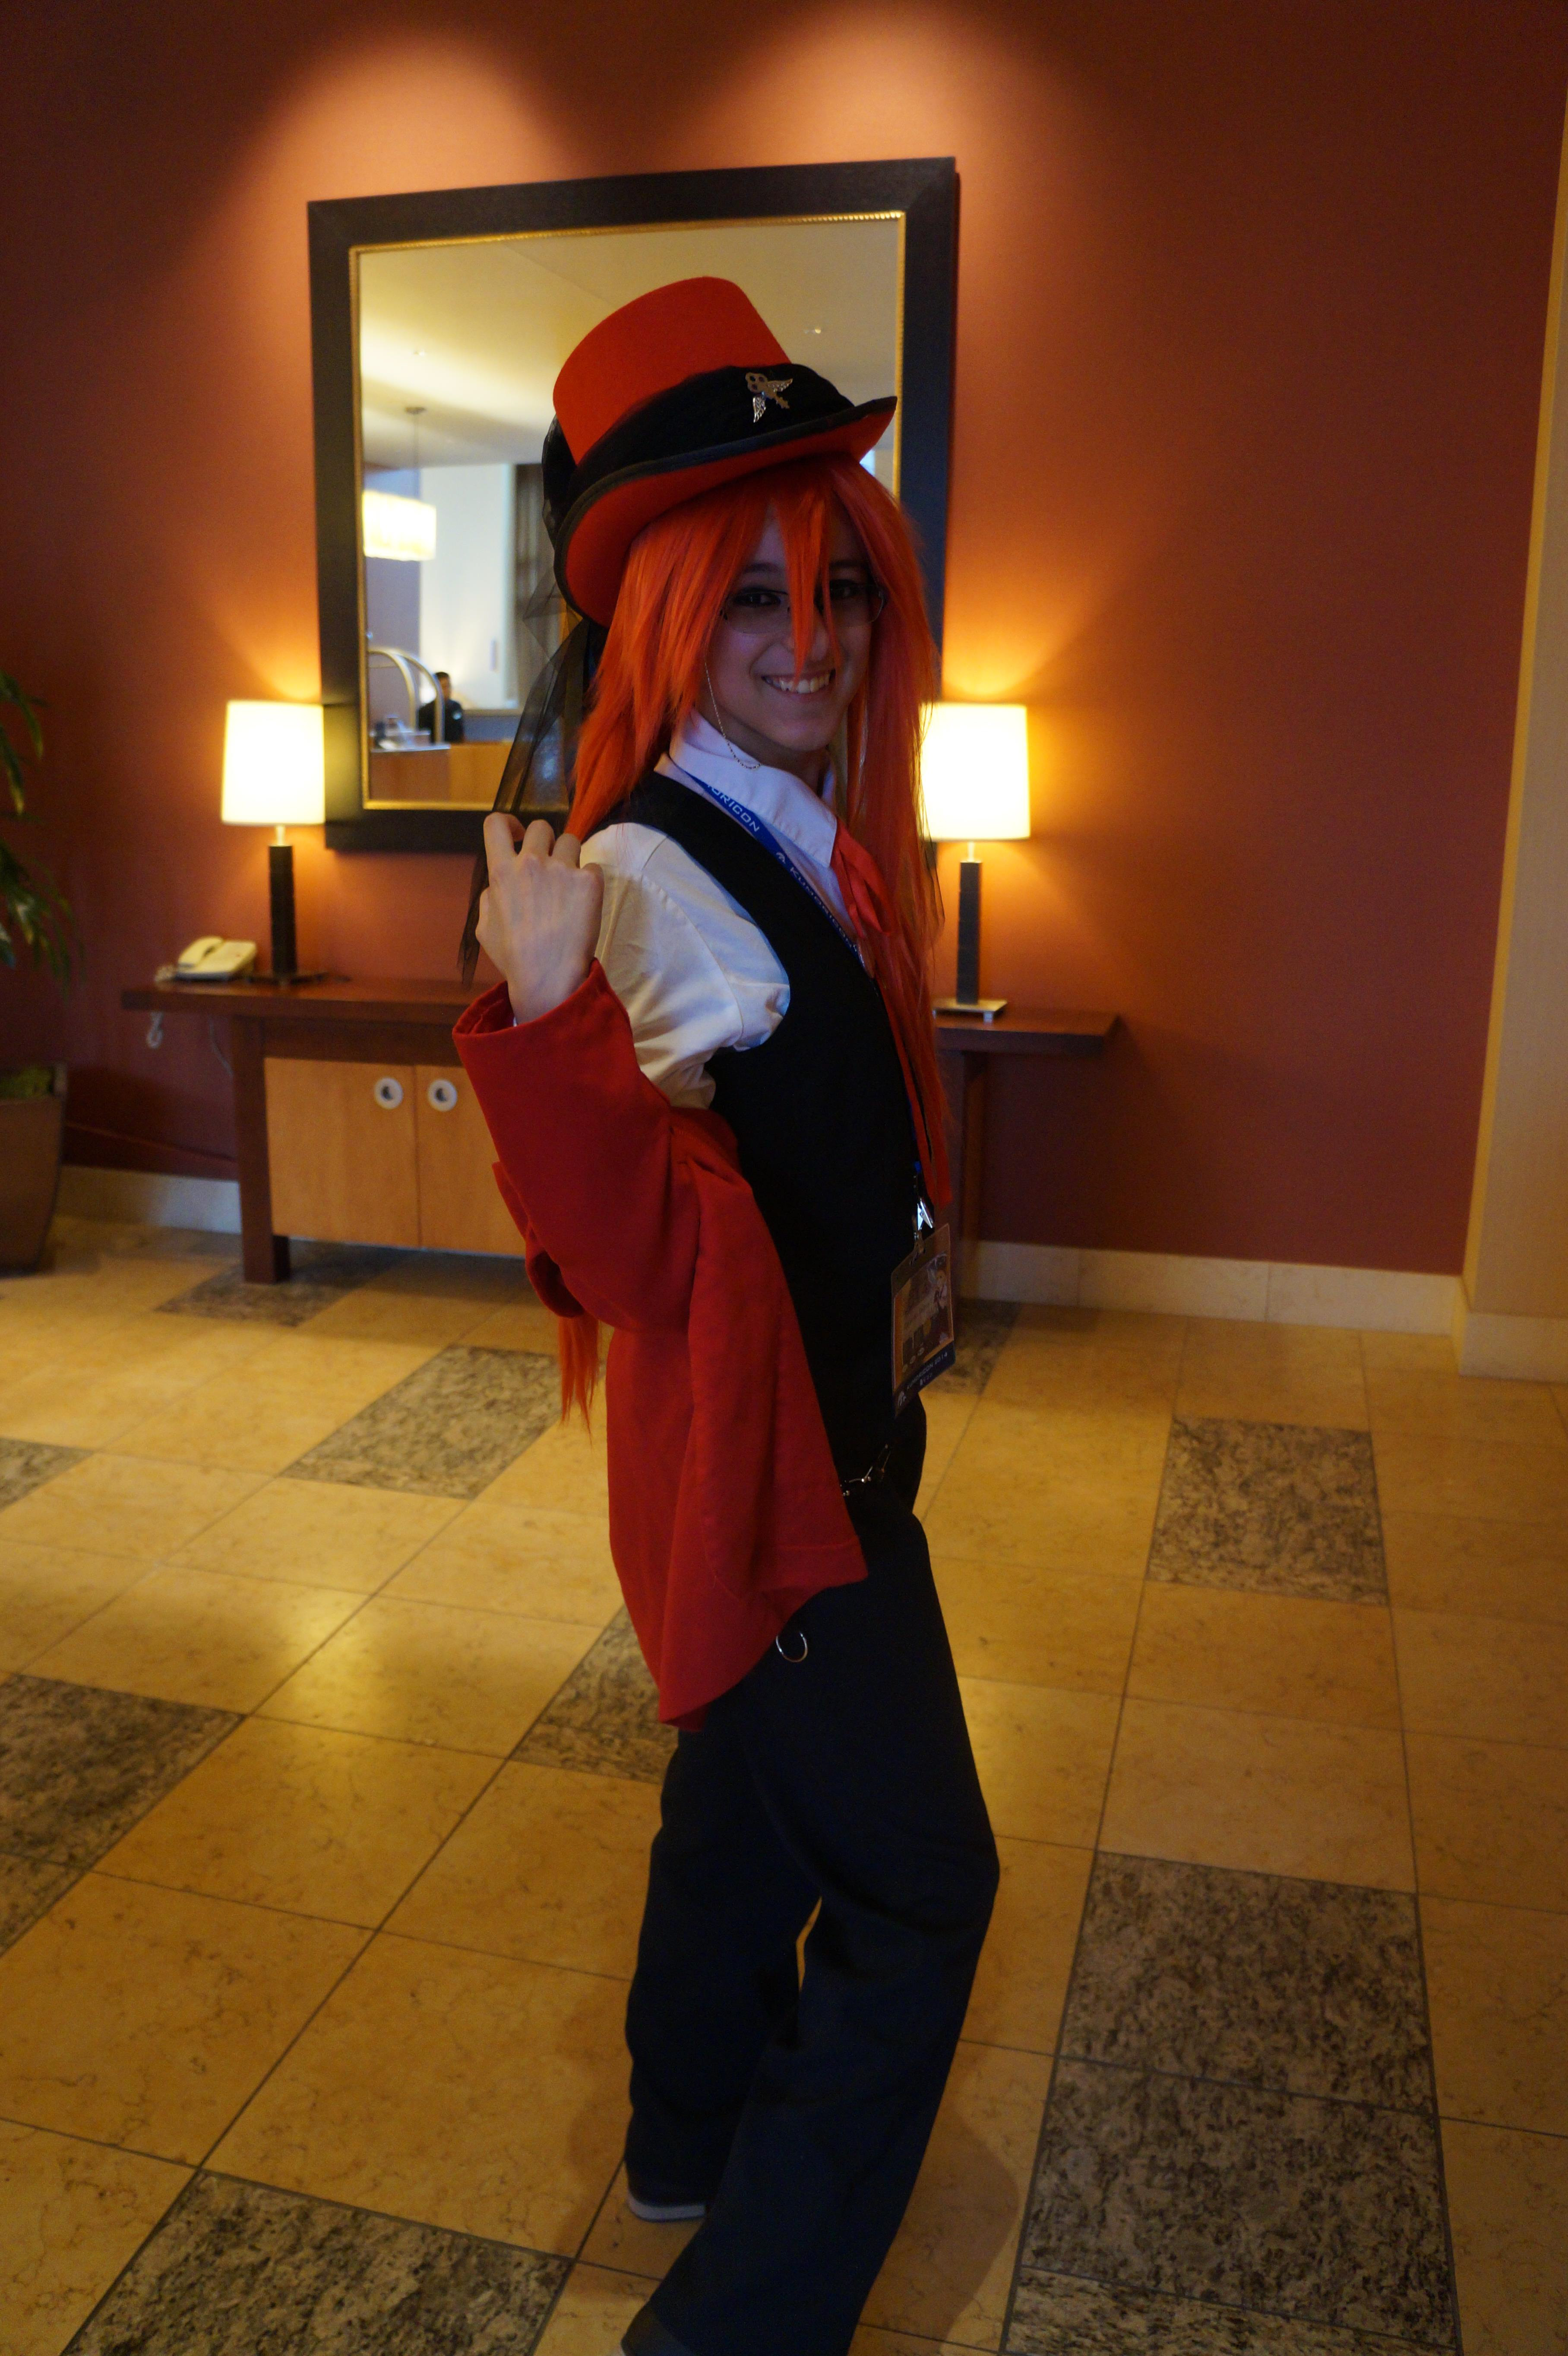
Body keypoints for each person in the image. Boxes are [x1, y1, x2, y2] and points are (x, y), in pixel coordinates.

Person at [455, 278, 997, 2356]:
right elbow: (612, 1253)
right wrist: (550, 1001)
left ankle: (683, 2126)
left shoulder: (795, 829)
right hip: (777, 1496)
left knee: (742, 1796)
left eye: (833, 589)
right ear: (672, 621)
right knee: (920, 1884)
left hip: (834, 1431)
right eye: (752, 599)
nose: (809, 641)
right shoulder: (647, 885)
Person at [417, 668, 466, 742]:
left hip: (456, 746)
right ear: (436, 688)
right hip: (437, 747)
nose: (448, 690)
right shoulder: (426, 711)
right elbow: (424, 737)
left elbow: (461, 732)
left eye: (449, 686)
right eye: (444, 687)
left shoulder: (456, 707)